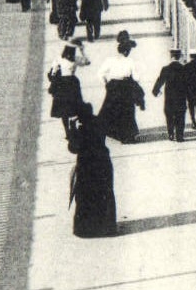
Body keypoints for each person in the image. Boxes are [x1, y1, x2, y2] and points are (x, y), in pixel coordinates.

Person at [68, 102, 117, 237]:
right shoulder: (99, 122)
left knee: (86, 195)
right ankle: (107, 227)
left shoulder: (80, 129)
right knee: (104, 192)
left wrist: (72, 129)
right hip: (103, 162)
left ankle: (87, 229)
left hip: (87, 165)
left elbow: (73, 148)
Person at [98, 30, 146, 143]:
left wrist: (106, 83)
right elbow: (136, 77)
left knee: (112, 109)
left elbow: (100, 73)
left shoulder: (110, 60)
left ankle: (113, 132)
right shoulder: (130, 61)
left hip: (113, 87)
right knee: (127, 111)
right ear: (126, 51)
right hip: (125, 87)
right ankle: (127, 135)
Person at [47, 43, 85, 145]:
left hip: (63, 84)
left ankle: (68, 131)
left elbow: (52, 72)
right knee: (72, 108)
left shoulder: (59, 59)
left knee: (65, 110)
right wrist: (82, 51)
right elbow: (86, 62)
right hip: (71, 83)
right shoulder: (73, 59)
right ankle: (71, 129)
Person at [152, 47, 188, 142]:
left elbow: (160, 81)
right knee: (180, 116)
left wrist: (155, 91)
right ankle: (179, 136)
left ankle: (171, 134)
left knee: (169, 115)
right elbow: (188, 84)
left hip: (169, 97)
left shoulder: (166, 69)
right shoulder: (184, 69)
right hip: (181, 97)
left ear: (171, 56)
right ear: (179, 56)